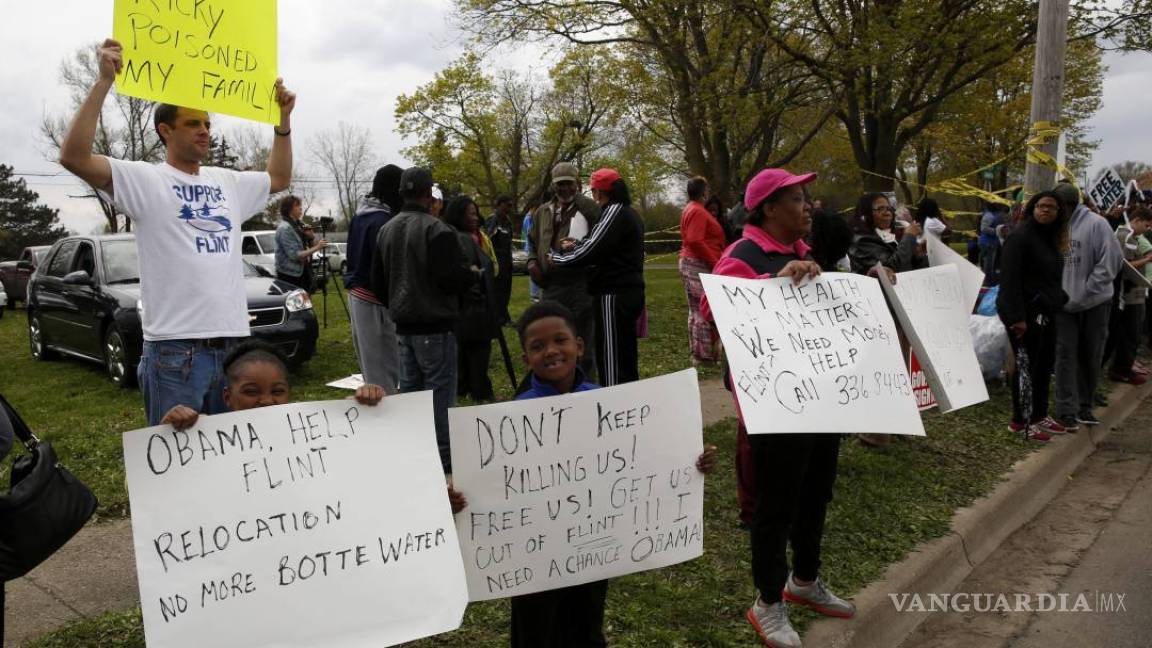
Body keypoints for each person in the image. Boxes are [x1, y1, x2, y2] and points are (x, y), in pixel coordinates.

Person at [58, 38, 296, 426]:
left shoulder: (227, 181)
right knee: (177, 469)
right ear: (165, 130)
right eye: (193, 124)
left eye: (207, 124)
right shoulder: (147, 180)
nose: (204, 131)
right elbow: (74, 156)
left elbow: (280, 177)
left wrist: (282, 122)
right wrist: (103, 81)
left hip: (235, 346)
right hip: (174, 350)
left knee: (233, 462)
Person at [453, 301, 716, 648]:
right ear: (525, 359)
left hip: (592, 550)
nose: (551, 351)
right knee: (535, 632)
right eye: (537, 346)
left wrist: (690, 462)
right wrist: (459, 497)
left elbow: (641, 459)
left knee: (586, 623)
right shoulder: (512, 420)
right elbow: (486, 484)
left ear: (578, 345)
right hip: (532, 561)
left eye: (560, 340)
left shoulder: (605, 404)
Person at [700, 168, 855, 648]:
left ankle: (805, 581)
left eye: (807, 197)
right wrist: (773, 282)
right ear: (768, 208)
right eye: (797, 198)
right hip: (774, 409)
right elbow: (714, 312)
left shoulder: (804, 252)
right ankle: (768, 602)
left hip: (819, 400)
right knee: (775, 509)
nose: (808, 206)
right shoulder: (740, 258)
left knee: (816, 494)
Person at [371, 167, 480, 473]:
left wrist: (398, 302)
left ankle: (417, 457)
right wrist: (469, 276)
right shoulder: (436, 230)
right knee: (440, 398)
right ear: (428, 192)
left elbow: (377, 283)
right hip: (435, 325)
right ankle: (445, 463)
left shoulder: (386, 229)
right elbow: (449, 278)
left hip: (403, 327)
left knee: (413, 398)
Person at [550, 169, 645, 386]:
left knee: (611, 355)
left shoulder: (614, 211)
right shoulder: (629, 212)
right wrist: (577, 244)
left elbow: (591, 249)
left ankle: (614, 402)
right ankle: (629, 397)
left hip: (613, 293)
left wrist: (559, 258)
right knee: (625, 353)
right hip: (627, 291)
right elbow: (602, 245)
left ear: (598, 191)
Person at [160, 340, 385, 426]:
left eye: (277, 391)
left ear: (289, 393)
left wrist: (362, 403)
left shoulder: (314, 431)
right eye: (251, 391)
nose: (267, 401)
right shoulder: (205, 436)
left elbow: (348, 425)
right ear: (227, 397)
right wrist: (170, 427)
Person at [996, 191, 1070, 442]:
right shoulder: (1020, 238)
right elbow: (1009, 280)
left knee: (1042, 365)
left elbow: (1049, 277)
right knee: (1026, 367)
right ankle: (1021, 420)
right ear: (1032, 208)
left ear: (1059, 213)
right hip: (1023, 314)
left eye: (1051, 207)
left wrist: (1058, 299)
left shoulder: (1050, 238)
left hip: (1046, 312)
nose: (1045, 210)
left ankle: (1039, 414)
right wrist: (1017, 317)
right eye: (1041, 206)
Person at [1051, 181, 1121, 431]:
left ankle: (1084, 405)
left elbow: (1111, 262)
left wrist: (1087, 290)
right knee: (1065, 355)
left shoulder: (1097, 225)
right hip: (1063, 305)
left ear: (1072, 205)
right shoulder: (1052, 227)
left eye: (1063, 207)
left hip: (1095, 303)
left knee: (1090, 355)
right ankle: (1066, 409)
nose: (1059, 211)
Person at [528, 162, 602, 380]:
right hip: (551, 286)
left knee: (583, 343)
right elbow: (532, 242)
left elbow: (600, 243)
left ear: (577, 184)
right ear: (553, 186)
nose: (564, 189)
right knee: (554, 338)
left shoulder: (590, 208)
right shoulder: (543, 211)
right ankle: (559, 385)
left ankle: (586, 388)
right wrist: (532, 263)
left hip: (581, 285)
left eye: (569, 183)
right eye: (560, 184)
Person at [345, 165, 404, 393]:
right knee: (384, 364)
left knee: (371, 362)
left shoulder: (360, 216)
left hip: (358, 293)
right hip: (374, 299)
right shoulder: (382, 221)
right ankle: (388, 414)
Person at [444, 195, 498, 403]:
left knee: (466, 355)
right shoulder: (463, 239)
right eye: (471, 213)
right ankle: (481, 394)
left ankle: (467, 389)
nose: (477, 217)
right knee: (477, 355)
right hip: (473, 311)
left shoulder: (464, 236)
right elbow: (469, 274)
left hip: (467, 311)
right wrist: (479, 298)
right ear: (459, 215)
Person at [679, 177, 727, 364]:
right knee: (704, 309)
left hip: (692, 261)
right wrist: (714, 261)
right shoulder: (698, 211)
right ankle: (704, 354)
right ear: (704, 192)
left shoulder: (691, 209)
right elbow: (695, 240)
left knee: (696, 309)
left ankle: (699, 352)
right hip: (698, 263)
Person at [1107, 206, 1152, 385]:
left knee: (1133, 333)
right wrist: (1147, 259)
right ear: (1138, 220)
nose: (1147, 229)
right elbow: (1125, 265)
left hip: (1137, 292)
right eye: (1147, 225)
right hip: (1128, 293)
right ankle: (1121, 369)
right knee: (1129, 333)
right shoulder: (1124, 236)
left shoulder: (1134, 237)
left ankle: (1126, 366)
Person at [849, 193, 925, 275]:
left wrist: (917, 255)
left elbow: (908, 266)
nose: (887, 213)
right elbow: (890, 270)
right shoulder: (862, 240)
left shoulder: (891, 234)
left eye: (889, 209)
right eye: (880, 209)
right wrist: (909, 237)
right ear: (866, 213)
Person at [274, 195, 327, 292]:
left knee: (306, 300)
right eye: (297, 205)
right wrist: (318, 247)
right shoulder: (285, 228)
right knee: (295, 303)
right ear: (289, 209)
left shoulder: (299, 225)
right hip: (289, 275)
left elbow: (310, 245)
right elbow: (295, 255)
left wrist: (311, 237)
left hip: (302, 271)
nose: (301, 208)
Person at [485, 195, 516, 324]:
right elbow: (487, 240)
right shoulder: (493, 219)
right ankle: (496, 317)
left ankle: (504, 316)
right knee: (497, 290)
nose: (509, 208)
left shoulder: (507, 221)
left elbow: (509, 240)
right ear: (499, 205)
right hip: (497, 261)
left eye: (511, 205)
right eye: (507, 205)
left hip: (507, 260)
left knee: (506, 290)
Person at [978, 202, 1008, 280]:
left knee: (988, 261)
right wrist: (996, 231)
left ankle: (988, 276)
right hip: (988, 242)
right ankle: (988, 278)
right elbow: (983, 229)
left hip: (989, 242)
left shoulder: (990, 215)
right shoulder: (989, 216)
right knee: (988, 262)